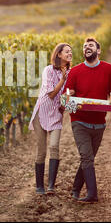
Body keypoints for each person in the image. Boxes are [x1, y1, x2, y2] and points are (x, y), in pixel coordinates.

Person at [61, 37, 111, 203]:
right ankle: (92, 194)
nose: (87, 47)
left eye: (91, 45)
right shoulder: (75, 72)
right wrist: (68, 97)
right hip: (79, 121)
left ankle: (75, 188)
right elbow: (65, 101)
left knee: (88, 159)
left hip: (99, 123)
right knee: (87, 157)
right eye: (85, 46)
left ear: (98, 51)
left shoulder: (109, 69)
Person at [29, 43, 73, 195]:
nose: (70, 53)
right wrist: (63, 79)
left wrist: (70, 95)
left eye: (71, 52)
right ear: (59, 54)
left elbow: (69, 94)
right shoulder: (48, 70)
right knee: (41, 151)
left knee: (54, 147)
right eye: (67, 51)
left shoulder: (71, 72)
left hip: (56, 114)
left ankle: (51, 186)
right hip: (42, 112)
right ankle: (39, 186)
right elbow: (51, 95)